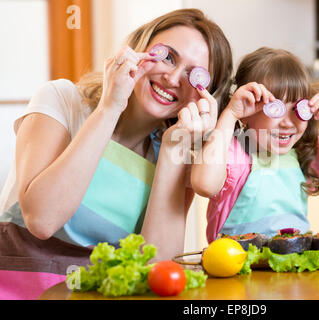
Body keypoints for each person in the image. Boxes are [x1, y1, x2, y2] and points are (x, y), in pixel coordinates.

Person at [0, 8, 233, 299]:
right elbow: (42, 220)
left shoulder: (175, 150)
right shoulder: (62, 100)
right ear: (139, 50)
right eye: (167, 57)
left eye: (193, 75)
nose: (173, 78)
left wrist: (174, 149)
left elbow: (155, 267)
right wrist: (110, 108)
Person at [190, 47, 319, 243]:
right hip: (236, 268)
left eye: (297, 108)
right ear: (248, 110)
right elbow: (204, 185)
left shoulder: (305, 151)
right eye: (275, 108)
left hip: (292, 266)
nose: (287, 122)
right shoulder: (232, 151)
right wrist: (231, 114)